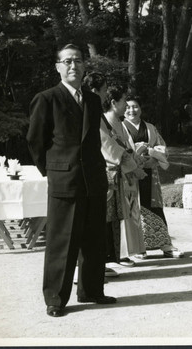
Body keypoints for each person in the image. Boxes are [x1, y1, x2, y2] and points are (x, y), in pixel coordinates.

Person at [26, 44, 116, 318]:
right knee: (62, 241)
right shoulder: (47, 98)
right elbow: (35, 142)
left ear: (84, 65)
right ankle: (55, 298)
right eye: (67, 61)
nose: (73, 66)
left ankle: (91, 290)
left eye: (77, 60)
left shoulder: (91, 99)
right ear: (58, 67)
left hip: (93, 179)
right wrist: (54, 170)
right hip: (64, 179)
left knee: (94, 239)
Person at [123, 96, 184, 258]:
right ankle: (137, 248)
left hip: (151, 173)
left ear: (140, 109)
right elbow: (119, 151)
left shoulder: (150, 128)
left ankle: (165, 245)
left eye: (135, 106)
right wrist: (135, 156)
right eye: (128, 107)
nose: (131, 110)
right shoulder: (120, 127)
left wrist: (152, 155)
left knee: (155, 208)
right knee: (133, 210)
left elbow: (163, 148)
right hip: (131, 175)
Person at [100, 85, 147, 266]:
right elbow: (110, 149)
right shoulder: (103, 121)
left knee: (124, 215)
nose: (127, 105)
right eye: (123, 101)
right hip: (111, 175)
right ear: (113, 103)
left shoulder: (119, 122)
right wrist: (133, 167)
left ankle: (120, 253)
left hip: (125, 175)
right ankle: (111, 256)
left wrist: (137, 161)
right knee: (110, 216)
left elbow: (126, 147)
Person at [82, 72, 121, 278]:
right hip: (99, 171)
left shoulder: (94, 110)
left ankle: (100, 264)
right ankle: (92, 268)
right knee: (96, 221)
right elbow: (106, 144)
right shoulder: (89, 109)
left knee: (102, 221)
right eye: (105, 90)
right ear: (96, 90)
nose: (106, 94)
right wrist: (126, 161)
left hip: (104, 170)